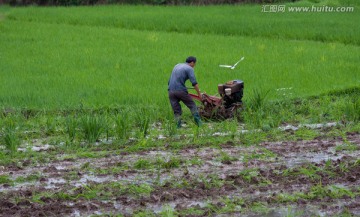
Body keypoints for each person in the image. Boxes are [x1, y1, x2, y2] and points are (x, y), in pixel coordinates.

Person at [168, 56, 202, 128]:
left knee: (176, 110)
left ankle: (178, 127)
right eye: (194, 64)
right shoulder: (189, 68)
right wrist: (199, 94)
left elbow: (170, 80)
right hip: (180, 91)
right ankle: (199, 124)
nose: (194, 66)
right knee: (192, 105)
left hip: (170, 91)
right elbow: (194, 83)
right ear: (192, 62)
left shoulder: (177, 65)